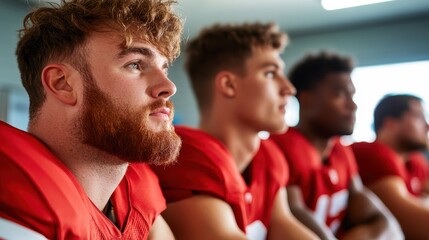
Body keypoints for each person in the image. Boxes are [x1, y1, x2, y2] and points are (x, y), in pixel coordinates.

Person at [0, 0, 183, 239]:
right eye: (135, 64)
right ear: (63, 84)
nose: (169, 87)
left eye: (164, 69)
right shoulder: (15, 197)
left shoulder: (136, 192)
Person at [151, 22, 319, 240]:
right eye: (270, 73)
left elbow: (284, 226)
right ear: (228, 85)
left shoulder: (268, 155)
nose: (289, 88)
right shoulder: (185, 154)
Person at [270, 51, 403, 240]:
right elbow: (292, 214)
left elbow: (385, 224)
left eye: (352, 95)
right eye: (340, 94)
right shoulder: (280, 147)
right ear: (307, 99)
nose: (353, 105)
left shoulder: (340, 149)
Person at [351, 94, 429, 239]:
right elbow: (408, 220)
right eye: (419, 117)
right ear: (390, 123)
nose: (427, 126)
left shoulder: (415, 160)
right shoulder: (373, 154)